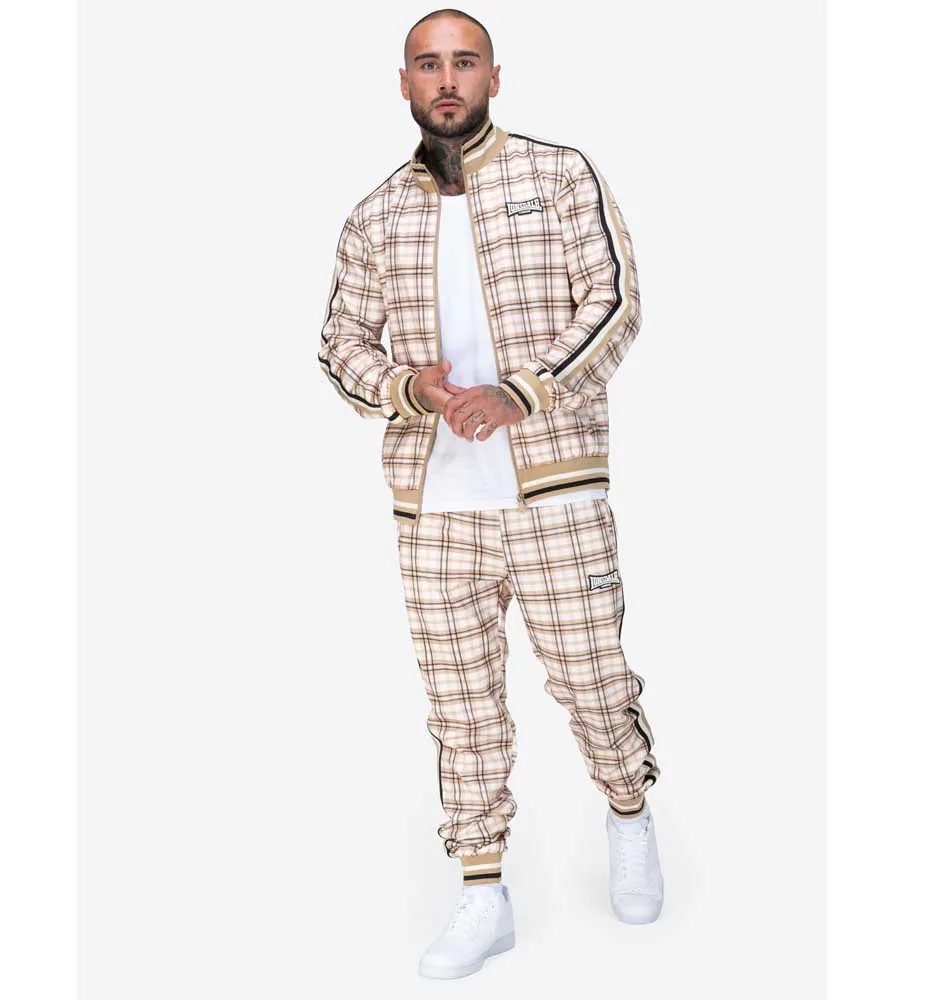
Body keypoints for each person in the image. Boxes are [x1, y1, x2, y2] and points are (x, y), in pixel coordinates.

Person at [317, 7, 664, 980]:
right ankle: (483, 894)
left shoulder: (558, 175)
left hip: (555, 494)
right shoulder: (375, 214)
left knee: (592, 680)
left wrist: (523, 392)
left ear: (494, 77)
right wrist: (406, 388)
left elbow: (614, 302)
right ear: (404, 84)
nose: (447, 80)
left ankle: (629, 814)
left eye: (463, 62)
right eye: (428, 65)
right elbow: (340, 343)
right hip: (435, 508)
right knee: (461, 707)